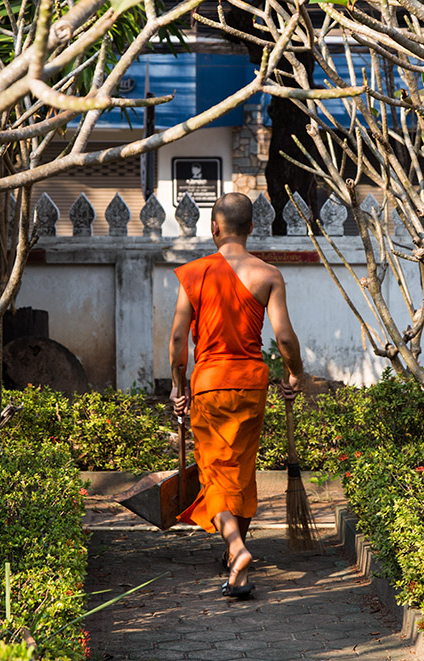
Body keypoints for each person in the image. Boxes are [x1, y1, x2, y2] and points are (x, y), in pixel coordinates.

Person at [169, 192, 308, 599]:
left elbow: (178, 339)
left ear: (214, 227)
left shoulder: (194, 274)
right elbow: (284, 336)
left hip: (210, 383)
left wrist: (179, 386)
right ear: (251, 228)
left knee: (214, 472)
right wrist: (296, 373)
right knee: (241, 469)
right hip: (251, 383)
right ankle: (237, 569)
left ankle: (236, 548)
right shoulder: (268, 275)